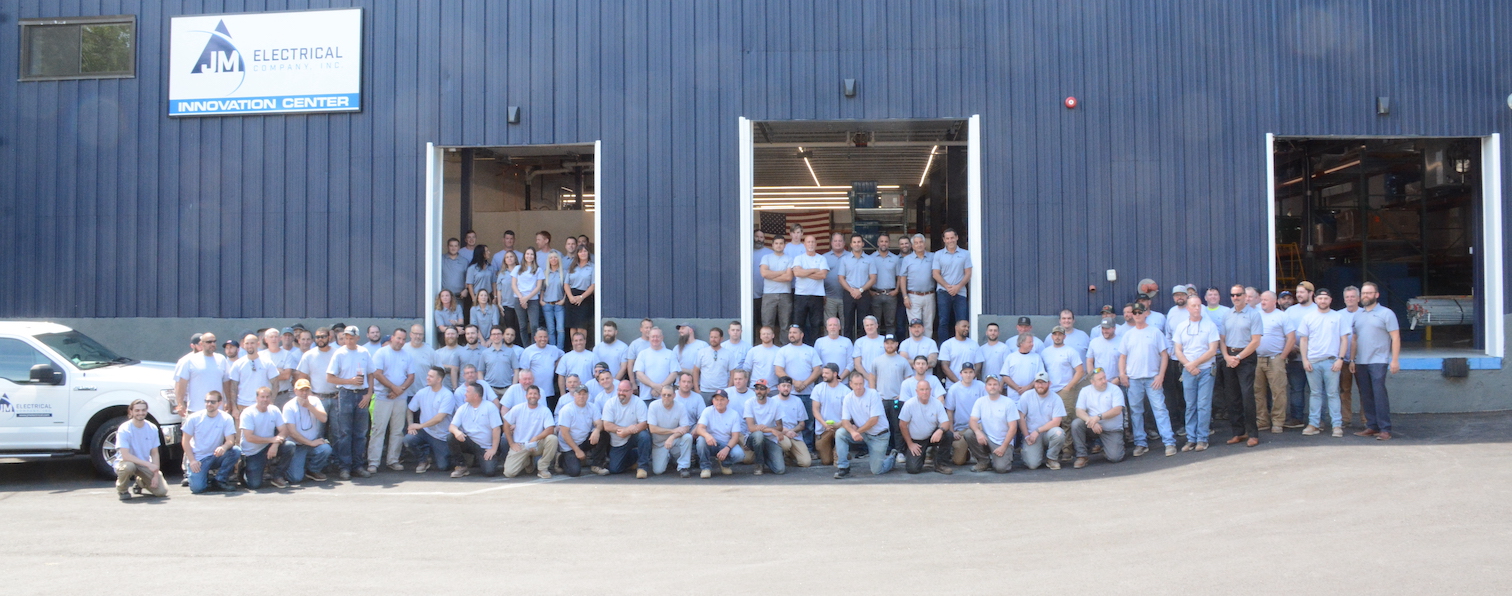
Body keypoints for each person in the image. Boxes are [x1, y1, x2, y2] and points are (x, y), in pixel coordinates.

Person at [1120, 303, 1176, 457]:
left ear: (1146, 313)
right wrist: (1122, 374)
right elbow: (1122, 356)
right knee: (1136, 412)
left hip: (1152, 378)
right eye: (1135, 312)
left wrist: (1161, 375)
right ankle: (1140, 443)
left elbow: (1164, 355)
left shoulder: (1155, 332)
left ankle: (1169, 442)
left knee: (1160, 409)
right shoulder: (1128, 335)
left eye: (1140, 312)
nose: (1137, 315)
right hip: (1133, 379)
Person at [1351, 281, 1401, 440]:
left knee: (1379, 395)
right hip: (1361, 361)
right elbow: (1354, 339)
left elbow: (1395, 337)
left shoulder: (1387, 313)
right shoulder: (1357, 315)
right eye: (1363, 293)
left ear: (1377, 295)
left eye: (1369, 293)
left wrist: (1394, 360)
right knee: (1366, 395)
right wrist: (1352, 359)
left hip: (1379, 360)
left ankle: (1385, 429)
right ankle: (1372, 426)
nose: (1365, 296)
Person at [1297, 289, 1351, 438]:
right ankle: (1313, 424)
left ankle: (1337, 426)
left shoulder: (1338, 317)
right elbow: (1303, 340)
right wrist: (1305, 360)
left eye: (1325, 298)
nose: (1323, 301)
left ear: (1330, 300)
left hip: (1331, 362)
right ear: (1315, 299)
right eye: (1320, 298)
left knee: (1333, 394)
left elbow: (1344, 340)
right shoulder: (1308, 318)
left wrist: (1340, 359)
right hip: (1313, 362)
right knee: (1315, 394)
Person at [1171, 296, 1220, 451]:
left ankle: (1202, 439)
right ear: (1188, 308)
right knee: (1190, 405)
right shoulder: (1181, 327)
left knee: (1203, 405)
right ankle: (1191, 439)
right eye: (1193, 306)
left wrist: (1194, 364)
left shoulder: (1210, 325)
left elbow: (1213, 350)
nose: (1197, 308)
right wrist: (1188, 365)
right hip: (1188, 371)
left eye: (1199, 305)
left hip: (1206, 370)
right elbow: (1177, 350)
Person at [325, 326, 373, 479]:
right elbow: (330, 377)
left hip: (362, 394)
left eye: (351, 338)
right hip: (346, 394)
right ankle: (344, 466)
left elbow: (371, 374)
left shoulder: (364, 352)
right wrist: (349, 381)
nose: (349, 341)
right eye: (346, 338)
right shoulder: (339, 354)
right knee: (345, 433)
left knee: (360, 433)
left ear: (358, 338)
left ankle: (358, 465)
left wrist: (369, 394)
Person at [1219, 284, 1262, 447]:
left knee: (1247, 396)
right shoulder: (1227, 315)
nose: (1235, 298)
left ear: (1245, 296)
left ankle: (1253, 434)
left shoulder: (1254, 315)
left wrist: (1238, 357)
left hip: (1246, 357)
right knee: (1232, 397)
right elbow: (1222, 339)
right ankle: (1238, 432)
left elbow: (1256, 341)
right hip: (1229, 356)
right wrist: (1226, 357)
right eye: (1233, 295)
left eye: (1238, 295)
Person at [367, 329, 415, 474]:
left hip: (400, 398)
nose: (401, 342)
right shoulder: (381, 353)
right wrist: (394, 388)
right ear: (392, 338)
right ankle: (373, 462)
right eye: (398, 338)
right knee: (378, 430)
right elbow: (377, 374)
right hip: (383, 397)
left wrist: (400, 390)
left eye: (403, 339)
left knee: (397, 431)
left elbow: (411, 376)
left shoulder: (407, 355)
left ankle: (393, 460)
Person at [833, 372, 893, 479]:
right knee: (840, 433)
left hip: (879, 435)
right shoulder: (848, 398)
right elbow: (845, 421)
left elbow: (874, 420)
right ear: (850, 384)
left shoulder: (873, 394)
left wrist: (857, 432)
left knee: (877, 470)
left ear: (864, 383)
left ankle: (892, 457)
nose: (858, 387)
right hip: (863, 433)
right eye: (856, 384)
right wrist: (852, 432)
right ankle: (843, 467)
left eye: (861, 384)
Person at [1254, 290, 1297, 434]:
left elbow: (1291, 338)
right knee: (1258, 392)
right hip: (1258, 359)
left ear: (1275, 302)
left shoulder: (1282, 316)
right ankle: (1262, 421)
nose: (1263, 302)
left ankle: (1278, 422)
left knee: (1278, 392)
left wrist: (1283, 357)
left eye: (1266, 300)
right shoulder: (1256, 315)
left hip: (1275, 359)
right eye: (1262, 300)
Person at [774, 324, 823, 448]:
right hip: (789, 394)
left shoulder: (810, 350)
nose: (791, 335)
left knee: (809, 424)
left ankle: (808, 449)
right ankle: (788, 450)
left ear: (802, 335)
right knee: (788, 423)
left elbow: (817, 370)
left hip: (808, 393)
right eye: (790, 332)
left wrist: (805, 384)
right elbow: (778, 370)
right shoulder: (783, 350)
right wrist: (794, 383)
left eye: (795, 332)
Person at [182, 391, 240, 493]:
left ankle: (219, 480)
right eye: (207, 401)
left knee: (236, 451)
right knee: (197, 489)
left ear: (219, 403)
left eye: (212, 402)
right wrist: (192, 460)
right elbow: (185, 441)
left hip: (215, 455)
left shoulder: (226, 418)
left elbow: (231, 440)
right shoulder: (194, 418)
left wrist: (224, 447)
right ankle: (203, 477)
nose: (209, 404)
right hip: (199, 458)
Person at [403, 368, 455, 474]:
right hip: (425, 432)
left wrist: (420, 426)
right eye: (428, 375)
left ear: (439, 379)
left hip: (441, 435)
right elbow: (410, 409)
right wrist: (411, 425)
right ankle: (423, 460)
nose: (427, 378)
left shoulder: (447, 395)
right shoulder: (422, 392)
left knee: (443, 466)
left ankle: (439, 455)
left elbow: (439, 418)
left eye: (431, 376)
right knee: (408, 439)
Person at [1071, 368, 1126, 468]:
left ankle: (1108, 448)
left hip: (1111, 429)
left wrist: (1098, 417)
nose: (1104, 381)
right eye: (1100, 379)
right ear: (1092, 382)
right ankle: (1082, 456)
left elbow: (1117, 410)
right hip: (1092, 426)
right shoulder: (1085, 391)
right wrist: (1091, 420)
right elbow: (1079, 411)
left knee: (1115, 457)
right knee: (1076, 424)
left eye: (1104, 377)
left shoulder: (1114, 389)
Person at [279, 380, 332, 483]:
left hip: (312, 443)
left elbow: (324, 419)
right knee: (295, 478)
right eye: (301, 390)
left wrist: (309, 406)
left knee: (326, 449)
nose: (304, 393)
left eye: (306, 390)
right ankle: (290, 468)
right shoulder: (289, 406)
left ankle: (312, 470)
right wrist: (310, 443)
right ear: (295, 391)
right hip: (297, 446)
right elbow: (292, 432)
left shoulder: (315, 400)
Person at [964, 375, 1020, 473]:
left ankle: (1005, 456)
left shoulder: (1008, 402)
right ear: (985, 387)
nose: (992, 387)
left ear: (999, 387)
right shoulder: (980, 401)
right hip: (987, 438)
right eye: (989, 384)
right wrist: (978, 432)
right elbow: (972, 420)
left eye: (995, 384)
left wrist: (1003, 446)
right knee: (969, 433)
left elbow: (1013, 427)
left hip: (1003, 442)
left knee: (1001, 469)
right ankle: (984, 461)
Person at [446, 382, 504, 478]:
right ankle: (461, 466)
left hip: (485, 447)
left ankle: (489, 458)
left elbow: (496, 429)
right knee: (451, 437)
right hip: (469, 443)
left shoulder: (490, 407)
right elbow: (452, 426)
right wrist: (457, 432)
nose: (465, 394)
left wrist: (493, 449)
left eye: (468, 392)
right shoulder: (462, 408)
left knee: (489, 472)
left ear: (476, 396)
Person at [899, 379, 955, 474]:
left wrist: (940, 430)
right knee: (913, 469)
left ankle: (941, 464)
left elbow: (946, 422)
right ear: (916, 391)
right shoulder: (909, 404)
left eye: (927, 389)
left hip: (932, 435)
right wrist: (910, 444)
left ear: (930, 390)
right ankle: (923, 456)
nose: (924, 392)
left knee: (948, 435)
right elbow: (902, 425)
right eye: (922, 389)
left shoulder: (937, 403)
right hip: (917, 439)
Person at [114, 399, 168, 500]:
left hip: (144, 464)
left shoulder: (152, 428)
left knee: (162, 492)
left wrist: (155, 475)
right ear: (131, 412)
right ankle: (122, 490)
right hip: (126, 462)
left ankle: (140, 482)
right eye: (137, 410)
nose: (141, 413)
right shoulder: (124, 429)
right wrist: (148, 464)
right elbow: (125, 455)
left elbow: (154, 453)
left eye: (143, 410)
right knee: (128, 467)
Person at [501, 386, 559, 479]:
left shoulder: (544, 410)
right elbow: (506, 425)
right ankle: (527, 461)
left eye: (535, 394)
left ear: (539, 396)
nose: (533, 396)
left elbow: (550, 429)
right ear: (526, 396)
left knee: (552, 438)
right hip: (521, 445)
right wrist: (511, 444)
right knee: (509, 473)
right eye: (530, 394)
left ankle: (542, 468)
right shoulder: (517, 408)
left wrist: (535, 438)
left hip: (537, 444)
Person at [600, 380, 652, 477]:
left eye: (625, 391)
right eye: (619, 390)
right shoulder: (610, 403)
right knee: (615, 469)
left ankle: (642, 467)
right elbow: (606, 425)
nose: (621, 393)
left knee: (644, 436)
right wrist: (625, 430)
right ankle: (635, 456)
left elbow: (644, 424)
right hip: (618, 440)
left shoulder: (638, 402)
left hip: (633, 435)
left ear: (631, 391)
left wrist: (627, 431)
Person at [238, 387, 287, 489]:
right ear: (256, 398)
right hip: (252, 453)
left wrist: (275, 444)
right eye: (262, 397)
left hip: (268, 447)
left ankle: (277, 476)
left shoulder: (274, 410)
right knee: (254, 485)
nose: (265, 399)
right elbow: (249, 437)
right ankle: (244, 469)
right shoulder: (248, 413)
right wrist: (271, 440)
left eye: (267, 397)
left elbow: (284, 430)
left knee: (289, 446)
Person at [1283, 282, 1317, 428]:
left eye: (1302, 292)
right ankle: (1297, 418)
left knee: (1317, 391)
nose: (1298, 295)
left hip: (1314, 357)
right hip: (1295, 357)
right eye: (1297, 292)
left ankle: (1318, 420)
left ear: (1311, 293)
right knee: (1296, 389)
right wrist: (1291, 345)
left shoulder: (1318, 309)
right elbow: (1283, 331)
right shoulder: (1290, 311)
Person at [1017, 372, 1066, 470]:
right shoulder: (1026, 396)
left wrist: (1038, 431)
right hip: (1031, 434)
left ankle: (1051, 458)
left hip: (1048, 433)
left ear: (1049, 383)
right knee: (1032, 465)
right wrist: (1026, 436)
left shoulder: (1056, 398)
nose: (1040, 385)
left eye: (1043, 382)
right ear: (1034, 383)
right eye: (1038, 382)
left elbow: (1056, 421)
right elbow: (1021, 417)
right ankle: (1032, 451)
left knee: (1059, 433)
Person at [227, 333, 280, 422]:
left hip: (262, 405)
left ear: (258, 344)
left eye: (252, 343)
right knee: (242, 431)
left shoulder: (267, 362)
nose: (249, 346)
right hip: (242, 406)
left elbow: (275, 384)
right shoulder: (238, 364)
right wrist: (234, 408)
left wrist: (271, 403)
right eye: (247, 343)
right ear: (243, 345)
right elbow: (233, 387)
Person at [930, 228, 972, 342]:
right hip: (943, 292)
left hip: (960, 292)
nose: (950, 240)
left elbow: (968, 273)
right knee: (943, 321)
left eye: (952, 238)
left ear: (957, 238)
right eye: (947, 238)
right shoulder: (938, 255)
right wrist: (947, 286)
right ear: (944, 240)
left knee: (962, 321)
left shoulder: (965, 254)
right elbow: (935, 274)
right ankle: (943, 347)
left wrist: (958, 287)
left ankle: (963, 345)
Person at [557, 386, 608, 477]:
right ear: (574, 395)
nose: (581, 396)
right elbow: (564, 434)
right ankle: (561, 459)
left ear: (588, 396)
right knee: (575, 472)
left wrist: (597, 430)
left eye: (584, 394)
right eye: (579, 394)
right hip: (569, 445)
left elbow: (599, 423)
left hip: (584, 441)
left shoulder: (592, 407)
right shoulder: (566, 410)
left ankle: (597, 465)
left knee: (603, 434)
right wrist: (577, 451)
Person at [695, 389, 747, 478]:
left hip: (726, 443)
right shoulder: (707, 411)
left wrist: (727, 448)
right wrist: (707, 436)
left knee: (739, 455)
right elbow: (699, 429)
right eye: (717, 399)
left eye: (722, 400)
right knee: (701, 440)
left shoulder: (734, 414)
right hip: (711, 443)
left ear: (727, 401)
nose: (719, 402)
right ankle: (705, 468)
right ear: (713, 401)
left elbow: (735, 437)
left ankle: (724, 463)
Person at [645, 384, 694, 477]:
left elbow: (686, 428)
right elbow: (652, 429)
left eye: (669, 395)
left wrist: (672, 437)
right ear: (661, 395)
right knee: (658, 471)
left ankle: (683, 467)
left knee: (688, 437)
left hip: (675, 441)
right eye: (664, 395)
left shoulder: (680, 406)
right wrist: (672, 431)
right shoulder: (653, 406)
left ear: (674, 395)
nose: (666, 397)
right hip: (659, 444)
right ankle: (669, 459)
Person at [790, 235, 831, 344]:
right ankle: (798, 346)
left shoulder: (821, 259)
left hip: (817, 295)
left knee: (816, 324)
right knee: (799, 324)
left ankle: (815, 347)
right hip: (800, 295)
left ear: (816, 244)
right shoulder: (799, 258)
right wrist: (814, 270)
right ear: (804, 244)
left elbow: (823, 275)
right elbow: (797, 273)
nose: (811, 244)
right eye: (808, 242)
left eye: (813, 242)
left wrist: (805, 272)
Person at [944, 364, 985, 466]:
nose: (968, 375)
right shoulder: (954, 389)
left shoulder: (981, 386)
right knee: (958, 461)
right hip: (961, 429)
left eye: (971, 372)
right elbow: (949, 411)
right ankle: (967, 453)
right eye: (965, 372)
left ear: (974, 374)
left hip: (978, 426)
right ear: (961, 374)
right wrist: (952, 431)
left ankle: (984, 457)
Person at [742, 381, 787, 475]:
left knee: (780, 470)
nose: (759, 391)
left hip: (769, 439)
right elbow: (751, 428)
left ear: (768, 390)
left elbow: (780, 426)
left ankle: (764, 456)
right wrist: (771, 429)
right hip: (753, 438)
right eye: (757, 388)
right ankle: (759, 464)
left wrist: (767, 429)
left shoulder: (775, 403)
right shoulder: (749, 403)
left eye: (762, 389)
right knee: (759, 435)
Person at [837, 233, 877, 338]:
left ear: (863, 243)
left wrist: (860, 290)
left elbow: (873, 278)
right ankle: (847, 344)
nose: (857, 244)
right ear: (851, 244)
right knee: (847, 322)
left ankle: (863, 344)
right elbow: (841, 278)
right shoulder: (844, 259)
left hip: (864, 293)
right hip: (848, 293)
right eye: (854, 242)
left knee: (864, 322)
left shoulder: (869, 259)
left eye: (859, 242)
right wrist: (851, 290)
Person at [899, 234, 937, 339]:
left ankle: (927, 347)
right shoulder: (907, 259)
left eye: (921, 242)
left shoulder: (933, 257)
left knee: (928, 324)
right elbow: (902, 278)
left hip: (929, 295)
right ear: (912, 246)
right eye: (916, 243)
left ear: (925, 244)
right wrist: (905, 297)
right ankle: (915, 347)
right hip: (913, 296)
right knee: (914, 325)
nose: (919, 245)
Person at [760, 235, 795, 344]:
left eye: (781, 243)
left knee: (785, 323)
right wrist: (781, 272)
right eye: (776, 243)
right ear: (772, 245)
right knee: (767, 323)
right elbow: (764, 273)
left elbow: (788, 277)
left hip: (785, 294)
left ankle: (784, 346)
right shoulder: (766, 258)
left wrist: (771, 275)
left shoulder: (789, 259)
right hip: (769, 294)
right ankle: (768, 346)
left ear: (784, 245)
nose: (778, 245)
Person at [771, 377, 812, 468]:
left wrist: (791, 431)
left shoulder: (797, 401)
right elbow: (771, 424)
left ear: (791, 388)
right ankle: (779, 456)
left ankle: (789, 455)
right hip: (778, 434)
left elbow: (802, 424)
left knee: (806, 462)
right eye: (783, 386)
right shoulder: (772, 401)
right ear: (778, 387)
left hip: (795, 435)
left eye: (788, 386)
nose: (786, 388)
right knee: (786, 444)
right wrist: (785, 432)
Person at [809, 366, 846, 465]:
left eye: (826, 373)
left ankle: (840, 454)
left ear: (835, 374)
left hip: (839, 426)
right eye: (823, 373)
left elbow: (848, 414)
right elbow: (815, 410)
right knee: (826, 461)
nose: (823, 375)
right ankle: (843, 453)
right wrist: (825, 424)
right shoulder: (818, 388)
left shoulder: (845, 391)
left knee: (842, 432)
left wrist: (838, 425)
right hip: (823, 428)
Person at [632, 327, 679, 403]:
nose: (655, 339)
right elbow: (639, 375)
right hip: (646, 397)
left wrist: (661, 388)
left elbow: (674, 374)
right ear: (649, 338)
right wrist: (654, 386)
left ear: (662, 338)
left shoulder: (670, 354)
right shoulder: (643, 354)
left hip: (665, 397)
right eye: (653, 336)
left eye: (658, 336)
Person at [521, 327, 565, 408]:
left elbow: (563, 356)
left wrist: (557, 364)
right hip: (533, 392)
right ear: (535, 338)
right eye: (540, 337)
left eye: (545, 337)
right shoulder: (528, 351)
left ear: (548, 338)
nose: (543, 339)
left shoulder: (553, 349)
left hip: (549, 391)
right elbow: (524, 371)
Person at [1338, 286, 1362, 428]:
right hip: (1343, 359)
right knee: (1344, 390)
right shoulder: (1338, 315)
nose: (1350, 299)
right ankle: (1345, 419)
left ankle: (1367, 420)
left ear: (1358, 298)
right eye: (1347, 297)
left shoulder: (1365, 313)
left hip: (1362, 359)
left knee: (1364, 391)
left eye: (1353, 296)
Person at [565, 244, 596, 346]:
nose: (583, 253)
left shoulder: (592, 267)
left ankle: (582, 348)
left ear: (588, 253)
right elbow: (566, 284)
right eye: (580, 251)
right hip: (572, 297)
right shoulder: (572, 266)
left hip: (585, 298)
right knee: (573, 326)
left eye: (585, 251)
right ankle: (574, 348)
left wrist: (582, 297)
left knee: (582, 326)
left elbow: (593, 285)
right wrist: (570, 297)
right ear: (577, 254)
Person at [870, 233, 901, 334]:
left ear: (889, 243)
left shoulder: (895, 259)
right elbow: (866, 276)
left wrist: (897, 290)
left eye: (886, 241)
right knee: (875, 323)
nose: (884, 243)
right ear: (878, 243)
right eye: (881, 241)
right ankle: (875, 342)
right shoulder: (871, 258)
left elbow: (899, 276)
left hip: (890, 294)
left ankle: (890, 342)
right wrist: (869, 291)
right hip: (875, 294)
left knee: (890, 322)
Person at [692, 327, 732, 404]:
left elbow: (732, 373)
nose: (713, 339)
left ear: (721, 338)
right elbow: (696, 371)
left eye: (716, 337)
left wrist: (728, 389)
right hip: (704, 391)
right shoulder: (701, 352)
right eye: (711, 337)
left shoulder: (728, 354)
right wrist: (697, 389)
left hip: (721, 391)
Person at [938, 319, 982, 388]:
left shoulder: (974, 344)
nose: (967, 329)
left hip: (972, 386)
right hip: (952, 386)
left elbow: (978, 365)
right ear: (956, 327)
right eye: (964, 326)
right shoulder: (947, 344)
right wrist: (959, 383)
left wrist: (968, 381)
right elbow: (945, 367)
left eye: (968, 327)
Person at [513, 247, 545, 340]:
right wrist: (521, 298)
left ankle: (534, 345)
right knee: (522, 326)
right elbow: (513, 285)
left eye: (531, 254)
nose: (529, 256)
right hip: (519, 299)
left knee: (534, 325)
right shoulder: (517, 268)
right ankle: (526, 346)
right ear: (524, 255)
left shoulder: (538, 270)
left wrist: (526, 298)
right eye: (527, 254)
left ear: (534, 256)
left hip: (533, 299)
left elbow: (538, 287)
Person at [871, 335, 911, 407]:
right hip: (881, 400)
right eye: (887, 343)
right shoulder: (876, 360)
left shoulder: (903, 361)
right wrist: (874, 395)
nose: (889, 345)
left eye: (892, 343)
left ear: (897, 344)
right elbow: (872, 379)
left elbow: (908, 380)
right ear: (884, 344)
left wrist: (902, 395)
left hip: (898, 399)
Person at [556, 330, 598, 398]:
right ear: (572, 342)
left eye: (580, 340)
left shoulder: (593, 356)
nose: (578, 342)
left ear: (585, 341)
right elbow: (561, 376)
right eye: (576, 340)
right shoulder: (566, 357)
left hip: (587, 393)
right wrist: (563, 394)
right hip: (570, 393)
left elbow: (597, 376)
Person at [494, 250, 523, 341]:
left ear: (515, 258)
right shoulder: (502, 273)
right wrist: (499, 303)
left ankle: (520, 346)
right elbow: (499, 289)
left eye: (511, 256)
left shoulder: (521, 272)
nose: (509, 259)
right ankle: (511, 345)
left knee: (520, 328)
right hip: (507, 304)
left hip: (519, 303)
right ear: (505, 260)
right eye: (507, 257)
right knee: (510, 328)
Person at [541, 252, 568, 349]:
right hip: (547, 304)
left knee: (560, 329)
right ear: (548, 260)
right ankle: (552, 350)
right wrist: (541, 300)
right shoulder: (545, 273)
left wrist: (564, 300)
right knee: (551, 330)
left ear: (558, 259)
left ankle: (560, 351)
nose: (553, 259)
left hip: (559, 304)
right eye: (551, 258)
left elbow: (567, 288)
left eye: (555, 257)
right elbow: (542, 289)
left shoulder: (564, 272)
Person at [851, 316, 887, 386]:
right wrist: (869, 378)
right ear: (864, 327)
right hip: (865, 381)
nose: (869, 327)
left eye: (871, 325)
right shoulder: (859, 342)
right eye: (867, 325)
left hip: (884, 380)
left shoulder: (885, 340)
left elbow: (891, 360)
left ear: (876, 325)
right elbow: (857, 364)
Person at [480, 327, 517, 395]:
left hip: (507, 389)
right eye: (494, 334)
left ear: (502, 336)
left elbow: (516, 370)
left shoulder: (510, 352)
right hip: (490, 389)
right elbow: (480, 372)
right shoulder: (485, 353)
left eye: (498, 334)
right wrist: (484, 387)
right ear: (490, 337)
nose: (496, 336)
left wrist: (513, 387)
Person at [744, 326, 782, 390]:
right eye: (763, 334)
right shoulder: (753, 351)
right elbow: (747, 370)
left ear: (773, 335)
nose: (766, 336)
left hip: (773, 389)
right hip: (755, 388)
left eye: (768, 334)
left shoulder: (779, 351)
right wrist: (745, 387)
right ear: (760, 336)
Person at [464, 245, 494, 322]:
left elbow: (494, 282)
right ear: (481, 253)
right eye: (486, 251)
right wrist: (473, 298)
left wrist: (495, 296)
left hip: (488, 296)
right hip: (476, 296)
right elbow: (470, 284)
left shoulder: (490, 267)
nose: (489, 252)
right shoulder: (472, 268)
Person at [823, 232, 847, 324]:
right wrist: (823, 294)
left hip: (846, 297)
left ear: (844, 243)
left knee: (846, 323)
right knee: (830, 323)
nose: (838, 243)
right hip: (829, 297)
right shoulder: (824, 258)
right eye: (835, 241)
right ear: (831, 243)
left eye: (840, 241)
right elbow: (820, 277)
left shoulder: (850, 256)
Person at [441, 238, 469, 314]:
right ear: (447, 246)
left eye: (455, 246)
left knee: (458, 318)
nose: (453, 248)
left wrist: (466, 290)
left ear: (459, 247)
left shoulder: (464, 261)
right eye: (451, 246)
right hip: (444, 297)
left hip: (459, 297)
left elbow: (468, 278)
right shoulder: (441, 259)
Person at [753, 229, 773, 324]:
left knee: (766, 321)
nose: (759, 239)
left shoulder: (770, 253)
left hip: (767, 292)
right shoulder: (746, 251)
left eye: (761, 237)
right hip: (751, 293)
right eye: (756, 236)